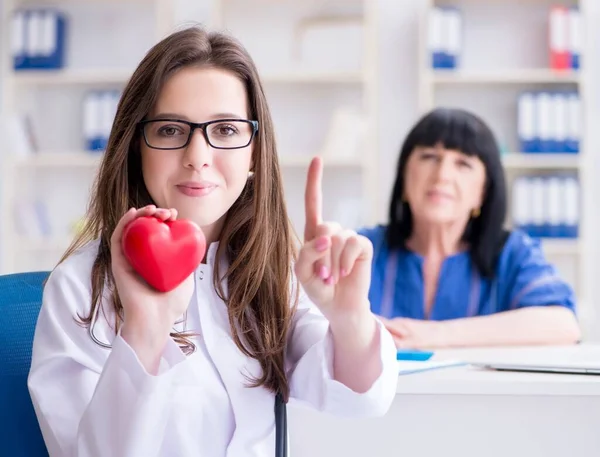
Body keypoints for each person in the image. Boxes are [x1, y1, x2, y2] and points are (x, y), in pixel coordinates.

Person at [27, 26, 398, 457]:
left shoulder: (273, 276)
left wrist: (349, 317)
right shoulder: (77, 289)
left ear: (254, 151)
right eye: (169, 130)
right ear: (135, 146)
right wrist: (145, 328)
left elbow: (359, 400)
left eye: (224, 130)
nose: (198, 155)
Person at [359, 108, 581, 349]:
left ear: (482, 192)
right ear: (404, 177)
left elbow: (562, 324)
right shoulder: (361, 250)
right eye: (429, 157)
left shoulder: (512, 253)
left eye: (463, 164)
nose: (442, 175)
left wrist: (431, 335)